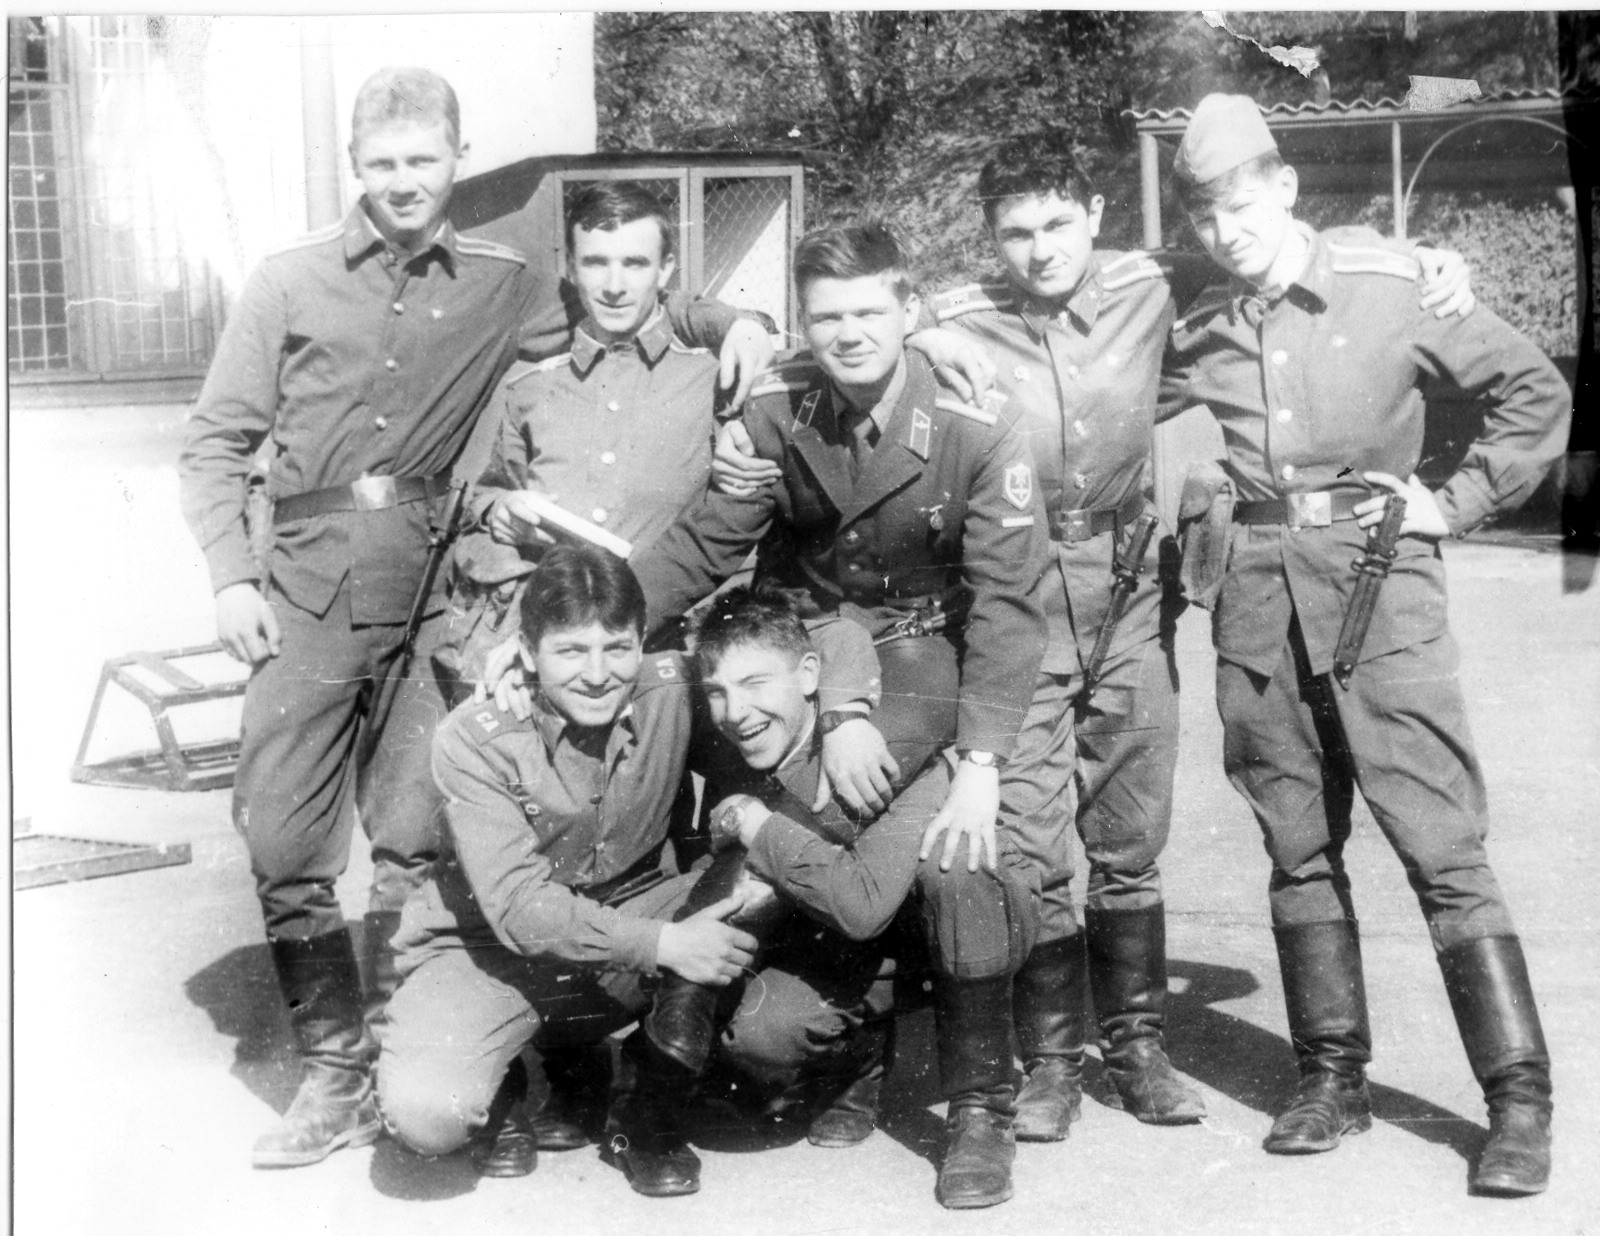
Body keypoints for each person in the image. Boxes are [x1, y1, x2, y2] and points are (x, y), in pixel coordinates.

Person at [716, 137, 1476, 1142]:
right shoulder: (954, 317)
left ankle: (1137, 1047)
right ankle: (1050, 1063)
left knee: (1129, 830)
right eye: (1016, 233)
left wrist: (1419, 256)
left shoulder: (1151, 282)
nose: (1040, 250)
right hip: (1019, 590)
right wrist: (754, 344)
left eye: (1058, 225)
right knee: (1030, 838)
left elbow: (1272, 247)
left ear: (1096, 217)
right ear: (990, 238)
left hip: (1127, 590)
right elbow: (841, 336)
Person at [178, 65, 772, 1169]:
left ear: (457, 161)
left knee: (412, 832)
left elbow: (626, 293)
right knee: (284, 833)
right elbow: (216, 440)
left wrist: (736, 317)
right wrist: (229, 577)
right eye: (383, 162)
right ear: (356, 166)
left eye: (424, 160)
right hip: (309, 583)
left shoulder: (505, 278)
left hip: (438, 597)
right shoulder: (288, 279)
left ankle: (401, 1061)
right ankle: (331, 1066)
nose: (404, 181)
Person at [1162, 93, 1569, 1197]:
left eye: (1244, 207)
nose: (1227, 233)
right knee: (1297, 849)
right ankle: (1329, 1079)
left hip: (1382, 593)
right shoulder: (1198, 321)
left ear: (1286, 188)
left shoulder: (1391, 287)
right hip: (1258, 605)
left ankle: (1517, 1102)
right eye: (1205, 217)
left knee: (1443, 848)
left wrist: (1458, 501)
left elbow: (1533, 392)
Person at [627, 221, 1052, 1208]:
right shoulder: (780, 405)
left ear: (910, 309)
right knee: (777, 787)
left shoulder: (976, 416)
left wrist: (982, 762)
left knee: (949, 860)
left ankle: (979, 1111)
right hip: (807, 661)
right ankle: (806, 1024)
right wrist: (581, 627)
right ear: (803, 323)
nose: (849, 334)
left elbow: (1007, 602)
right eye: (826, 318)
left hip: (929, 668)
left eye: (869, 312)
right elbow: (706, 545)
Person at [377, 549, 883, 1187]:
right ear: (526, 651)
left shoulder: (669, 685)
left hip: (632, 918)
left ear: (641, 640)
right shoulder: (474, 736)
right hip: (490, 952)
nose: (597, 675)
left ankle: (649, 1100)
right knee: (427, 1115)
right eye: (570, 652)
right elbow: (520, 908)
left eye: (616, 648)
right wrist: (666, 944)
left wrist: (845, 716)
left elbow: (823, 639)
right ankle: (505, 1081)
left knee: (759, 867)